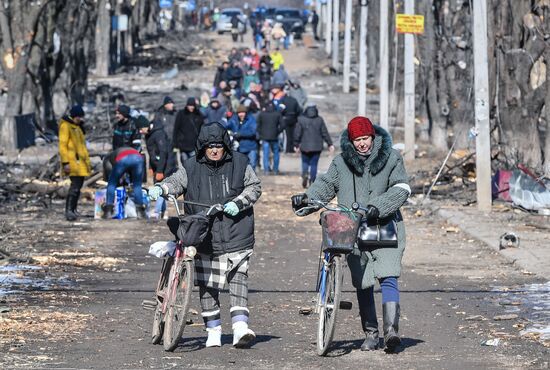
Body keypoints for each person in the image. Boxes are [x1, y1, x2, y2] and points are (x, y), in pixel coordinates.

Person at [291, 117, 410, 353]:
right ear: (351, 141)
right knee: (362, 282)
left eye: (365, 139)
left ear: (372, 137)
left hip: (385, 225)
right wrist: (306, 199)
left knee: (388, 275)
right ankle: (371, 334)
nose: (362, 144)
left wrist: (379, 206)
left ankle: (391, 332)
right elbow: (326, 184)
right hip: (351, 228)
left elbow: (401, 188)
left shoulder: (392, 158)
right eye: (357, 140)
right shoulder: (341, 162)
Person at [148, 122, 262, 349]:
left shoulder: (240, 163)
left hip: (237, 231)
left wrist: (238, 203)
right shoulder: (190, 167)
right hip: (205, 235)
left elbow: (254, 188)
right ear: (202, 147)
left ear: (225, 146)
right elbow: (175, 182)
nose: (214, 150)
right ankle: (213, 330)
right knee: (207, 284)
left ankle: (240, 329)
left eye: (219, 145)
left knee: (238, 278)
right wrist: (161, 188)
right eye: (210, 146)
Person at [58, 105, 91, 221]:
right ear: (74, 116)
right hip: (72, 163)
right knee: (74, 187)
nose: (81, 120)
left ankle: (74, 209)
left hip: (80, 163)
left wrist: (87, 163)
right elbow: (62, 146)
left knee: (78, 187)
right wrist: (65, 162)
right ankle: (68, 211)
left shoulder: (78, 127)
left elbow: (82, 147)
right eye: (79, 117)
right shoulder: (66, 126)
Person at [294, 105, 334, 188]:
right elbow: (324, 132)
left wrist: (296, 144)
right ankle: (312, 179)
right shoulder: (319, 119)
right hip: (317, 146)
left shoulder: (301, 119)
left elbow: (297, 133)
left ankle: (305, 174)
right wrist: (330, 144)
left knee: (305, 162)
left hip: (305, 146)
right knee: (314, 164)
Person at [102, 146, 147, 219]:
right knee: (137, 185)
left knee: (111, 183)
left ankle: (108, 211)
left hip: (123, 159)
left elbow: (110, 175)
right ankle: (141, 213)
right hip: (138, 158)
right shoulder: (125, 150)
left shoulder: (108, 158)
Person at [138, 116, 169, 219]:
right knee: (160, 188)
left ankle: (157, 211)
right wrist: (151, 167)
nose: (140, 131)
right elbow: (151, 153)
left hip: (164, 166)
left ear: (146, 126)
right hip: (156, 165)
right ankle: (163, 212)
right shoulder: (148, 135)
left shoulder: (158, 134)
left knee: (160, 188)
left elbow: (163, 152)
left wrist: (160, 170)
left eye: (141, 128)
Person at [173, 97, 204, 166]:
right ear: (187, 105)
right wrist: (175, 143)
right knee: (184, 164)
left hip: (194, 145)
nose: (191, 107)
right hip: (183, 144)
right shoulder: (181, 114)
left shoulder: (199, 115)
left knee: (193, 164)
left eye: (193, 105)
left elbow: (202, 129)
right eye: (190, 105)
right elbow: (176, 129)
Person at [271, 84, 302, 153]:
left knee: (286, 135)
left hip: (285, 119)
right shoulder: (294, 100)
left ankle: (287, 149)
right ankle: (292, 148)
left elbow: (280, 110)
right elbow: (299, 110)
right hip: (293, 119)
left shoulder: (282, 101)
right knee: (293, 134)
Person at [226, 105, 258, 171]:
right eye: (239, 113)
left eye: (243, 112)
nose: (241, 114)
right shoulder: (234, 120)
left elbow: (253, 132)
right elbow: (226, 126)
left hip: (250, 146)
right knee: (240, 166)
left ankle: (252, 180)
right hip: (239, 147)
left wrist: (241, 134)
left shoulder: (251, 119)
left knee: (252, 165)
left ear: (246, 113)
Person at [257, 102, 284, 175]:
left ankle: (266, 170)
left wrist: (261, 133)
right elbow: (282, 125)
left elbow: (258, 125)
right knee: (276, 153)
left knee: (265, 154)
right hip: (274, 136)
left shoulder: (262, 114)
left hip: (265, 137)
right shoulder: (277, 114)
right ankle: (275, 169)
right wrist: (278, 131)